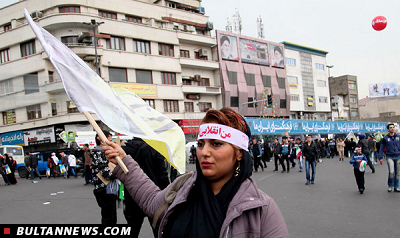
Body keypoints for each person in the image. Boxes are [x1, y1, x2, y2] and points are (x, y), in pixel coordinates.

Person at [103, 108, 289, 238]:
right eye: (201, 144)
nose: (204, 152)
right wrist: (123, 160)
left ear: (239, 152)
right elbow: (152, 202)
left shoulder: (261, 210)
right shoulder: (183, 187)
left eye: (216, 143)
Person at [122, 137, 170, 237]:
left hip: (132, 195)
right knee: (158, 230)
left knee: (132, 229)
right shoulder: (155, 149)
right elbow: (162, 175)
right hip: (153, 195)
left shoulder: (125, 150)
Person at [92, 131, 118, 224]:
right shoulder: (100, 153)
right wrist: (119, 173)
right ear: (101, 140)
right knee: (109, 218)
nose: (111, 144)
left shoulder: (98, 152)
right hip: (105, 189)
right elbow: (106, 174)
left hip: (104, 188)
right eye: (109, 141)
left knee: (108, 216)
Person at [378, 123, 400, 192]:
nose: (392, 128)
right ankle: (390, 185)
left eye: (393, 127)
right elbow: (381, 148)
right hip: (389, 156)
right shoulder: (385, 138)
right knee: (391, 172)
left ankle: (396, 187)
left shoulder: (398, 137)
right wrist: (380, 157)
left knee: (397, 173)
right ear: (388, 129)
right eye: (391, 127)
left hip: (398, 156)